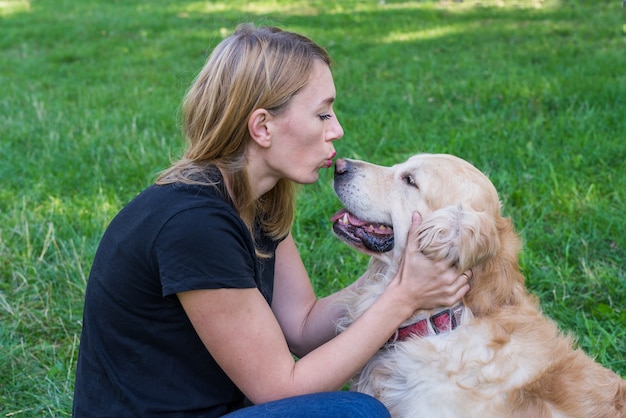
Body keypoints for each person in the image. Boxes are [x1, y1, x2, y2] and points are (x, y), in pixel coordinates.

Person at [72, 23, 470, 417]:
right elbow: (281, 389)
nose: (337, 129)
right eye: (322, 114)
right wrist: (402, 298)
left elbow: (303, 326)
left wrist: (398, 272)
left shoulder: (253, 202)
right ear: (262, 127)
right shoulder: (193, 226)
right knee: (356, 413)